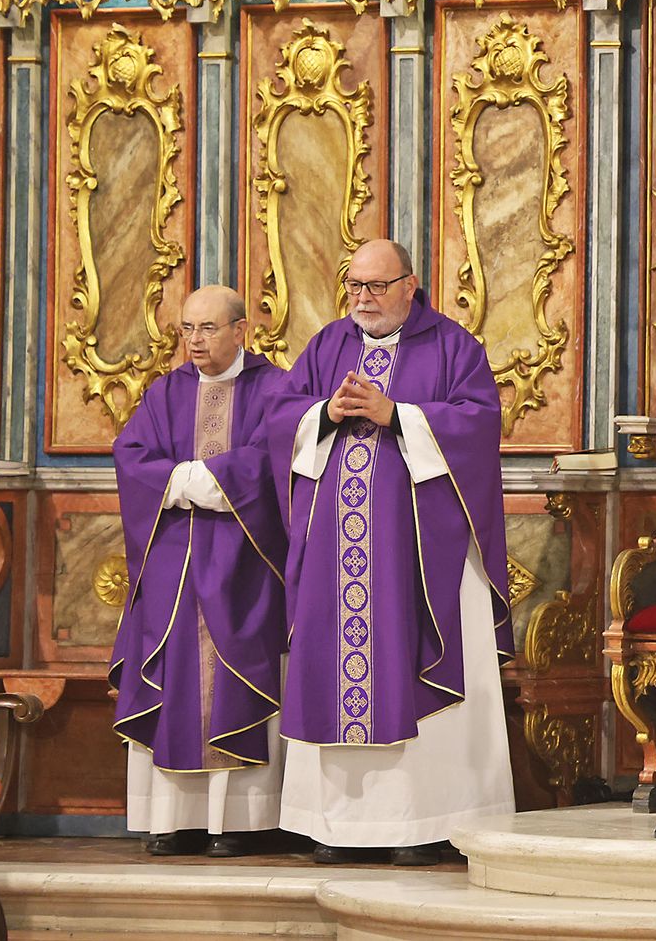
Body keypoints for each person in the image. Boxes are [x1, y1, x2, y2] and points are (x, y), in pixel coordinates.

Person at [265, 239, 514, 866]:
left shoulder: (452, 346)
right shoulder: (328, 345)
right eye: (355, 287)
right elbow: (277, 416)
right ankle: (340, 827)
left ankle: (427, 822)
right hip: (336, 556)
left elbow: (479, 425)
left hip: (420, 551)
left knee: (414, 662)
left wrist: (397, 414)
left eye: (377, 287)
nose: (364, 300)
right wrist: (324, 412)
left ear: (411, 283)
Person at [110, 286, 288, 857]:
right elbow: (132, 454)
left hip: (245, 562)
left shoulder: (275, 389)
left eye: (208, 328)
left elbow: (271, 459)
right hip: (173, 566)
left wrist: (205, 481)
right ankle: (172, 819)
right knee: (170, 666)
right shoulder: (166, 392)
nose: (194, 341)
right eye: (187, 329)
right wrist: (184, 482)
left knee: (237, 669)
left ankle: (239, 822)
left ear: (241, 331)